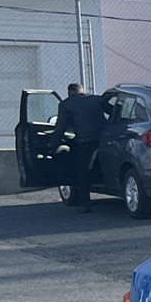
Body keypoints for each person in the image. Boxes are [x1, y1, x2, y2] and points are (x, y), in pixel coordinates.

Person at [55, 83, 105, 212]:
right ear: (82, 91)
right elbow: (115, 111)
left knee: (84, 172)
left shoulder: (66, 105)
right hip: (106, 139)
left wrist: (53, 144)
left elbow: (61, 128)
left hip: (85, 142)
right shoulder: (97, 100)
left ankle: (85, 204)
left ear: (69, 93)